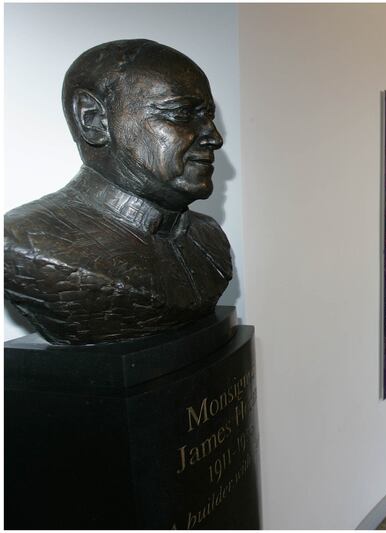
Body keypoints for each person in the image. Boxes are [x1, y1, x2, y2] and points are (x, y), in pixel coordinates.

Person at [4, 40, 232, 345]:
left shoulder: (210, 238)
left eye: (208, 116)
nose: (214, 137)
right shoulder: (22, 242)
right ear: (93, 120)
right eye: (181, 113)